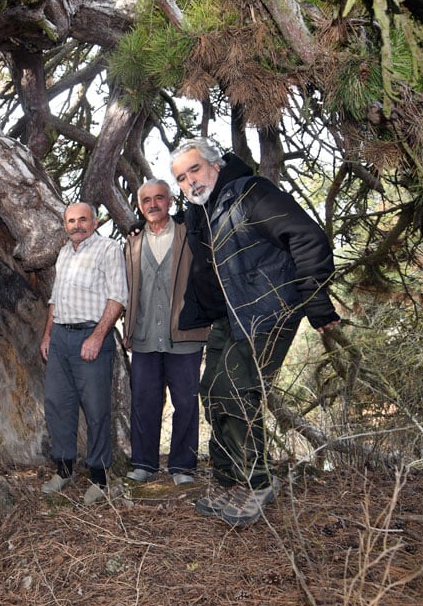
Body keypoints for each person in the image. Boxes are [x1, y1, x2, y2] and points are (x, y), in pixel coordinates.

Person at [172, 138, 341, 528]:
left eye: (194, 169)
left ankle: (258, 484)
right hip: (228, 317)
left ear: (215, 164)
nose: (189, 181)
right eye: (181, 177)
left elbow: (306, 237)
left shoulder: (251, 193)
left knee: (237, 389)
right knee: (213, 393)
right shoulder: (202, 211)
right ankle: (230, 482)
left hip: (268, 310)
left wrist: (316, 303)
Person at [39, 202, 127, 505]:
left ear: (96, 221)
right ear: (65, 225)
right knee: (57, 403)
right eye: (71, 221)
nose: (77, 225)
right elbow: (55, 299)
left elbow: (118, 297)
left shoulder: (108, 249)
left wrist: (97, 336)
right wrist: (48, 334)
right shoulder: (64, 253)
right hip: (61, 338)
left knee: (96, 408)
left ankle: (99, 477)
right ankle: (64, 469)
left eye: (83, 220)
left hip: (91, 337)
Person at [123, 181, 210, 486]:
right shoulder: (132, 241)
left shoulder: (190, 234)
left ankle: (182, 467)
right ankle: (144, 463)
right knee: (144, 401)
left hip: (185, 333)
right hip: (145, 334)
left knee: (185, 402)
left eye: (159, 197)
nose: (153, 204)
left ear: (170, 201)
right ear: (140, 205)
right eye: (146, 200)